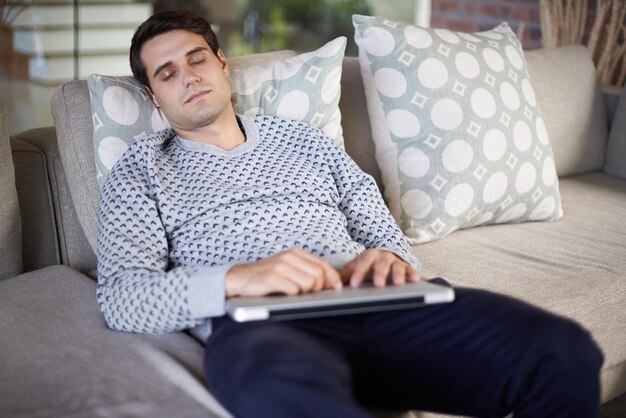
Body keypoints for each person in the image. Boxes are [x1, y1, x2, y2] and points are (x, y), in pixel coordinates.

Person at [97, 10, 604, 418]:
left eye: (197, 59)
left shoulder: (303, 140)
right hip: (260, 327)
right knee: (279, 390)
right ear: (152, 95)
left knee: (560, 350)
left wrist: (388, 258)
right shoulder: (140, 171)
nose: (188, 77)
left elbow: (379, 229)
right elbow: (122, 298)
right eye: (167, 73)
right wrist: (237, 279)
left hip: (374, 300)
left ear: (223, 64)